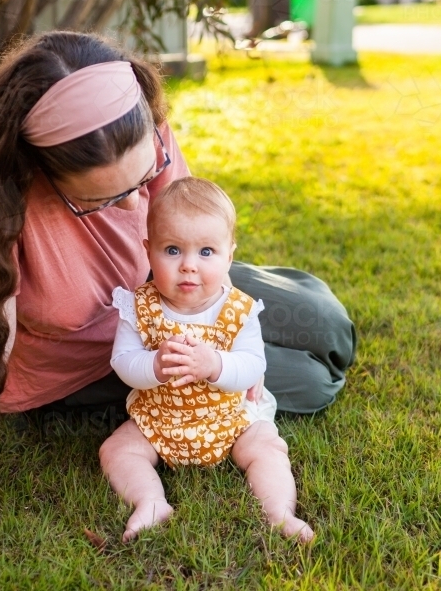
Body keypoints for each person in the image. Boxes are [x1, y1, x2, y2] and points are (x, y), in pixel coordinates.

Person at [0, 31, 355, 549]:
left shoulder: (132, 125)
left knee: (327, 324)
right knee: (311, 381)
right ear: (45, 174)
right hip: (88, 358)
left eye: (144, 177)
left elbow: (186, 229)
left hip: (170, 289)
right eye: (106, 199)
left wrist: (207, 325)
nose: (137, 211)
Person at [100, 177, 314, 543]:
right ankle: (150, 501)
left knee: (267, 447)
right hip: (157, 420)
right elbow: (122, 361)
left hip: (230, 421)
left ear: (229, 256)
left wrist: (215, 364)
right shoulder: (138, 307)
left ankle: (279, 512)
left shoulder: (237, 310)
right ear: (148, 251)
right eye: (172, 250)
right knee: (116, 449)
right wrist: (153, 366)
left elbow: (251, 365)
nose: (188, 266)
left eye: (206, 252)